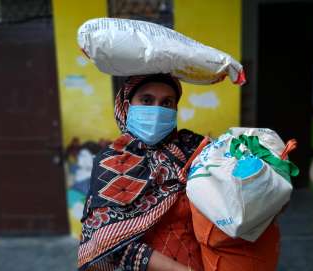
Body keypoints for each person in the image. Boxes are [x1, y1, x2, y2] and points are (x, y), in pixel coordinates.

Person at [78, 73, 280, 271]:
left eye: (166, 103)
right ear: (127, 106)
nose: (157, 110)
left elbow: (235, 188)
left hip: (206, 261)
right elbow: (111, 246)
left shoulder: (192, 147)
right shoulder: (113, 161)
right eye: (147, 100)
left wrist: (267, 181)